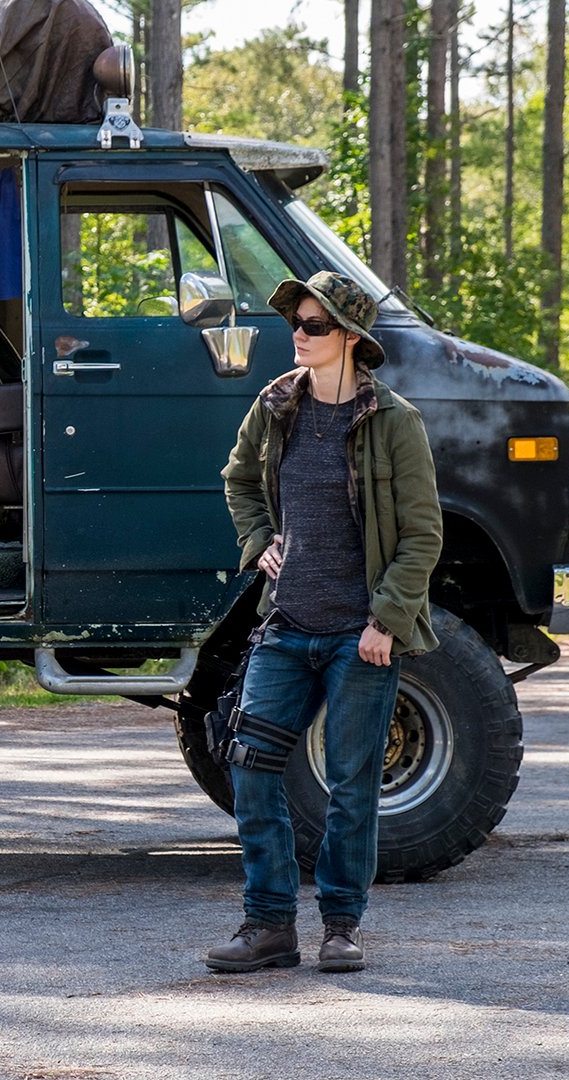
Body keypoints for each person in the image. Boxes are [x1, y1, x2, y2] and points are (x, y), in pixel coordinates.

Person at [208, 271, 443, 974]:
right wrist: (259, 541)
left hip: (358, 635)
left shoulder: (393, 421)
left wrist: (387, 621)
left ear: (350, 339)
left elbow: (423, 534)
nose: (299, 334)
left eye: (314, 325)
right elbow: (238, 479)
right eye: (298, 322)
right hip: (286, 625)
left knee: (351, 783)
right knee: (250, 766)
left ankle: (341, 925)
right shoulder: (276, 404)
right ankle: (270, 924)